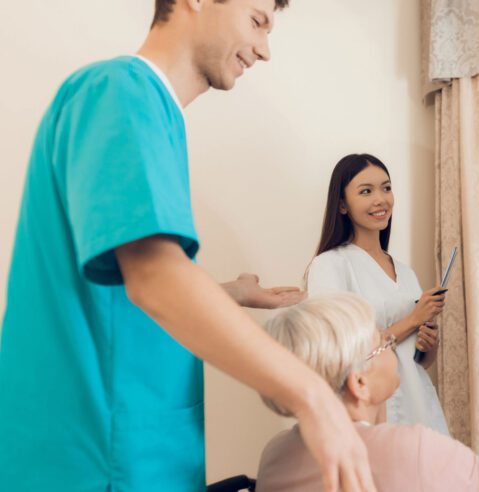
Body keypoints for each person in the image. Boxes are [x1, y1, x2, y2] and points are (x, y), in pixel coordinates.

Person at [0, 1, 375, 491]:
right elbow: (154, 278)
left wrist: (229, 293)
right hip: (96, 462)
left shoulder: (154, 116)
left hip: (134, 459)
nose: (264, 50)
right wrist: (313, 395)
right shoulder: (119, 93)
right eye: (258, 21)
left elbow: (121, 296)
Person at [256, 293, 479, 491]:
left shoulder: (275, 455)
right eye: (383, 343)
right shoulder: (413, 449)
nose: (392, 350)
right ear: (359, 383)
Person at [306, 153, 449, 434]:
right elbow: (340, 354)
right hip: (372, 415)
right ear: (343, 205)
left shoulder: (405, 272)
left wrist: (428, 344)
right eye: (366, 191)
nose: (380, 199)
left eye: (386, 188)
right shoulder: (330, 265)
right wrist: (411, 320)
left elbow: (421, 362)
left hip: (420, 407)